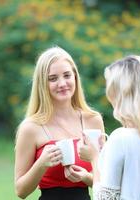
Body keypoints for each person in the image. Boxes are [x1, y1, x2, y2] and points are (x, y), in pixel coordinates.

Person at [79, 55, 140, 199]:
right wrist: (103, 156)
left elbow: (105, 198)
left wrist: (94, 158)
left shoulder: (121, 138)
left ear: (121, 95)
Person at [14, 46, 105, 200]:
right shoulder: (30, 128)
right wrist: (41, 164)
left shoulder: (93, 120)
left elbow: (106, 182)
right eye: (53, 78)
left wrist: (85, 177)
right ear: (42, 84)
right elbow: (21, 191)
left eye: (67, 75)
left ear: (75, 77)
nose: (62, 83)